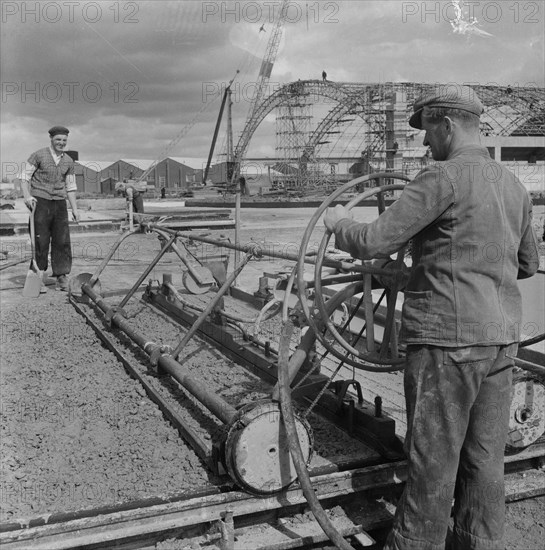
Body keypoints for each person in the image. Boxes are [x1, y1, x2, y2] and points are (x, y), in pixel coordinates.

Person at [324, 85, 539, 550]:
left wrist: (338, 223)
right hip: (501, 341)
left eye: (427, 131)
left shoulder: (440, 178)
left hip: (446, 344)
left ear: (447, 124)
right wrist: (435, 266)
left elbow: (373, 242)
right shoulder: (513, 186)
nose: (424, 143)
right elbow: (525, 264)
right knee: (484, 462)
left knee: (432, 464)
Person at [21, 126, 80, 292]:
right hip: (40, 201)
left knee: (62, 240)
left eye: (64, 140)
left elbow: (71, 186)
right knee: (40, 240)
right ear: (51, 139)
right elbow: (24, 178)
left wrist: (75, 209)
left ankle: (61, 276)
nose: (61, 143)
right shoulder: (38, 155)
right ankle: (37, 277)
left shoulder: (68, 161)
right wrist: (27, 197)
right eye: (58, 140)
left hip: (60, 203)